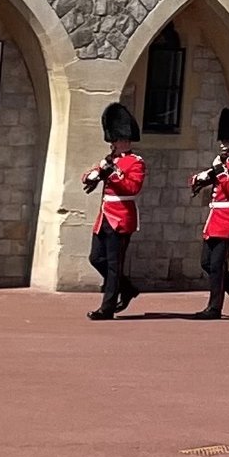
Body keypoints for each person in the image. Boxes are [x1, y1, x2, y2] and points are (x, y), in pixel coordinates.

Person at [189, 106, 229, 318]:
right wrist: (199, 179)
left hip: (228, 220)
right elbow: (206, 180)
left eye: (227, 141)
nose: (223, 144)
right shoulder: (222, 166)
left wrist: (220, 172)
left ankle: (214, 307)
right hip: (214, 219)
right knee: (207, 263)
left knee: (217, 265)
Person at [85, 103, 146, 320]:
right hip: (104, 217)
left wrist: (113, 173)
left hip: (121, 217)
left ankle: (107, 307)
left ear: (125, 141)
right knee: (95, 258)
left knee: (113, 265)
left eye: (117, 140)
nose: (114, 144)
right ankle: (127, 288)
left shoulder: (135, 162)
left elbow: (132, 187)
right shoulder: (111, 160)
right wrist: (94, 174)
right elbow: (90, 175)